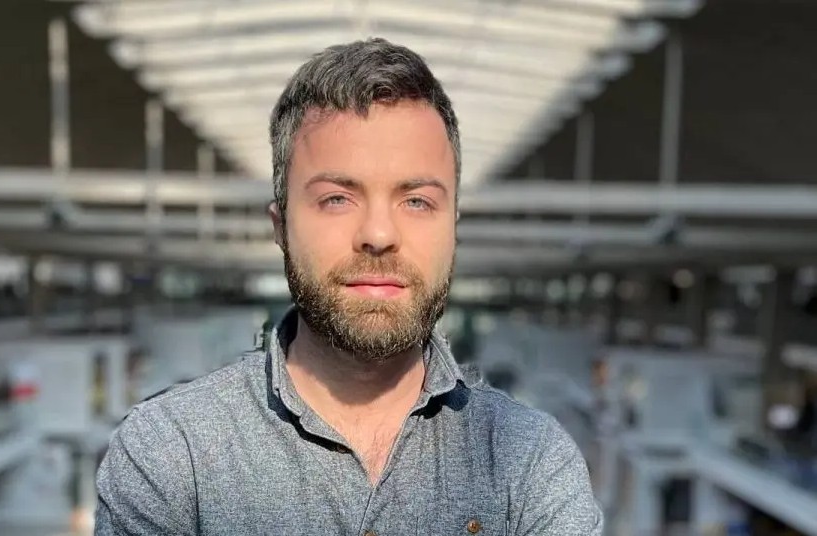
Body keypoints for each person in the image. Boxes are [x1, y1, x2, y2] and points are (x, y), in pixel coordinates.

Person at [95, 38, 603, 535]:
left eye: (417, 201)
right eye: (337, 198)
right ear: (280, 226)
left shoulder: (531, 463)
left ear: (453, 227)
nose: (378, 235)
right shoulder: (172, 454)